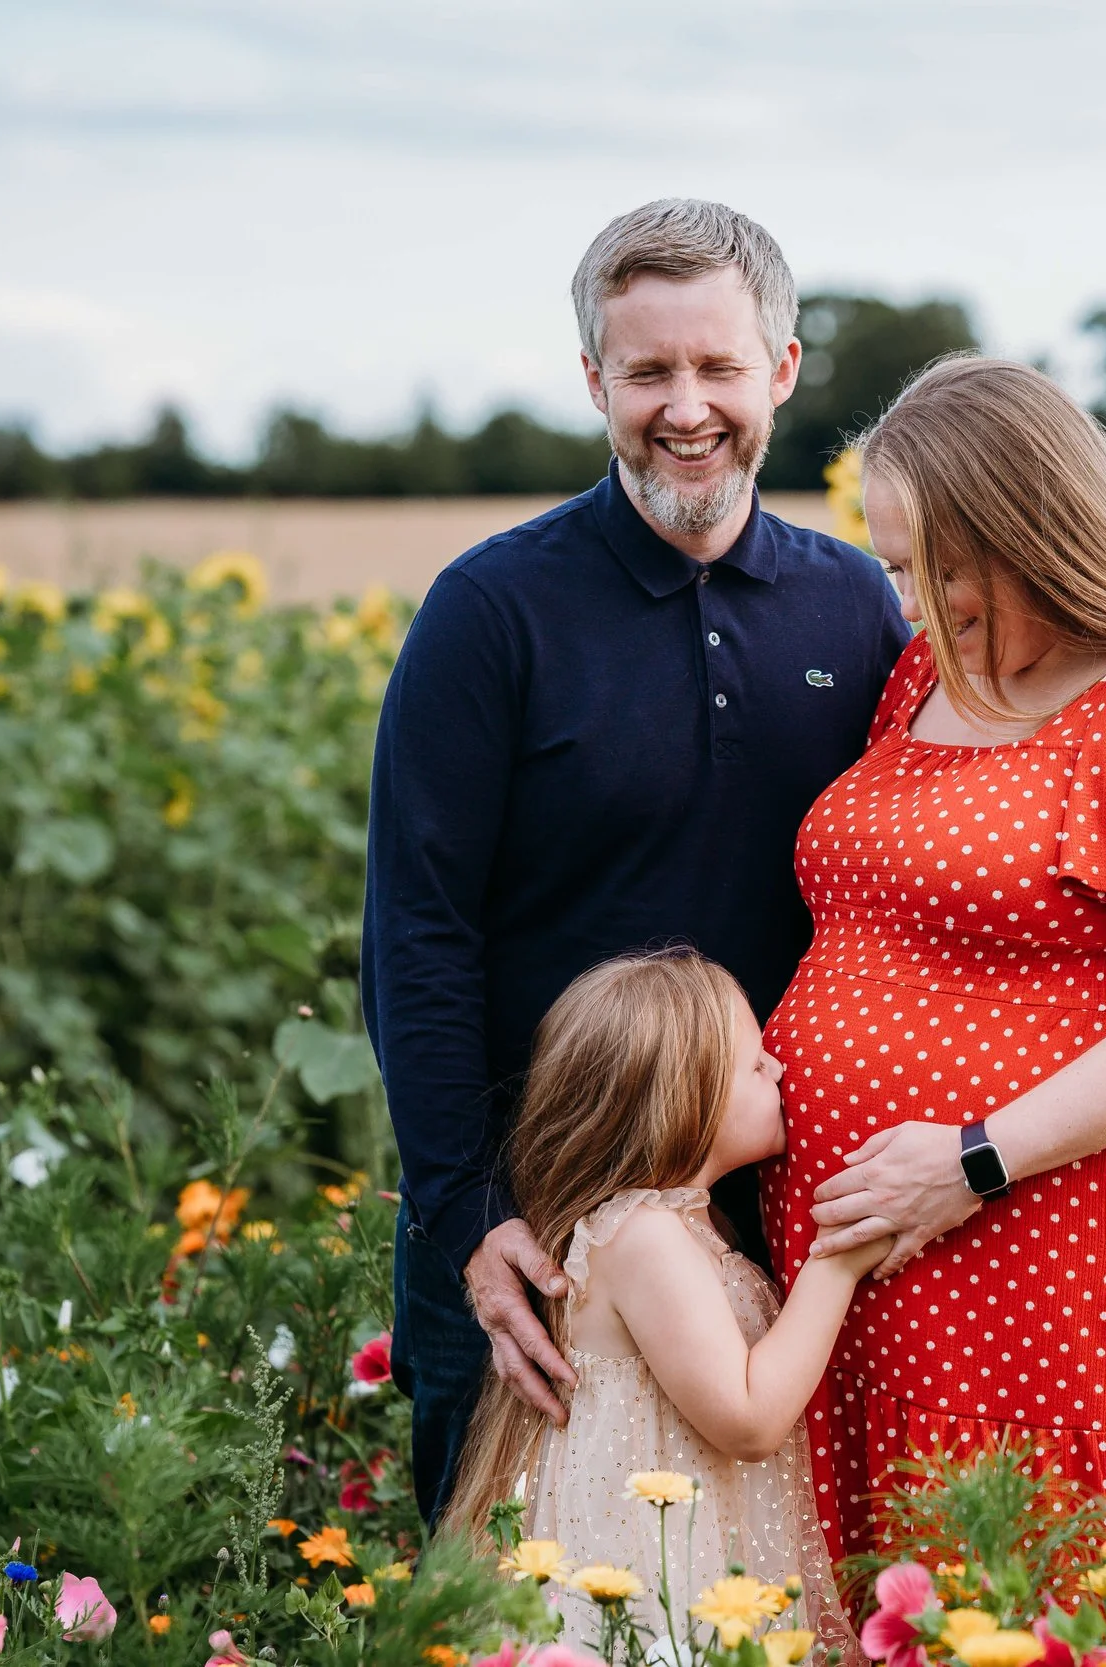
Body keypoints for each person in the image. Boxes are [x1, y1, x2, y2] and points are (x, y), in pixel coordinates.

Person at [363, 199, 912, 1527]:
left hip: (775, 1209)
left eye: (719, 366)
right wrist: (469, 1210)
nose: (685, 406)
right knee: (507, 1591)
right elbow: (416, 929)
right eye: (647, 370)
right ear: (595, 380)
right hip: (531, 1226)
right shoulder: (493, 610)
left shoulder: (856, 603)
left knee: (763, 1565)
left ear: (780, 369)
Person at [761, 356, 1106, 1571]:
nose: (906, 601)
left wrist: (968, 1159)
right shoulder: (931, 675)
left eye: (930, 564)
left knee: (1022, 1569)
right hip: (866, 1241)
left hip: (1035, 1234)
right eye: (893, 564)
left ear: (1028, 530)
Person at [442, 951, 881, 1648]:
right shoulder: (645, 1237)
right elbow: (747, 1420)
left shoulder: (687, 1224)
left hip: (699, 1545)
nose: (781, 1072)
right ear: (688, 1097)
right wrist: (838, 1262)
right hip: (652, 1577)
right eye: (757, 1064)